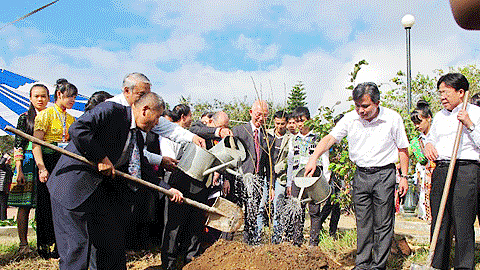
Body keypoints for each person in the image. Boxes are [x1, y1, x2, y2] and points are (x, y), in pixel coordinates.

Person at [47, 92, 183, 270]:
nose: (157, 123)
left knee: (111, 245)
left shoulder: (137, 135)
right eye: (157, 118)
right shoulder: (110, 111)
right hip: (72, 188)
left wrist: (167, 189)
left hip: (99, 194)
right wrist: (101, 158)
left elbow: (142, 166)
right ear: (145, 110)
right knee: (77, 248)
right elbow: (78, 130)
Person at [305, 82, 409, 270]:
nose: (361, 110)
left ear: (377, 102)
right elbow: (330, 138)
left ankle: (378, 266)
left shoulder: (393, 118)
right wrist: (314, 158)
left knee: (383, 223)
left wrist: (404, 176)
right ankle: (362, 264)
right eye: (357, 106)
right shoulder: (350, 119)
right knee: (363, 223)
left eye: (365, 106)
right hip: (361, 175)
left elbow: (403, 148)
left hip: (384, 174)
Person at [424, 73, 480, 270]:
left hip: (465, 169)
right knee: (440, 220)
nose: (442, 97)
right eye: (440, 93)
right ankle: (437, 264)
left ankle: (464, 266)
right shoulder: (439, 116)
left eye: (446, 93)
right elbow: (429, 138)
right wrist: (428, 144)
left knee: (462, 221)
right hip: (441, 169)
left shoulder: (475, 112)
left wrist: (469, 125)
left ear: (461, 92)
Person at [32, 78, 78, 259]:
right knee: (46, 204)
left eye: (74, 97)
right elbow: (36, 144)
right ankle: (45, 244)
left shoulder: (72, 118)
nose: (72, 100)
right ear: (59, 95)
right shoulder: (45, 115)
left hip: (65, 162)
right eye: (70, 96)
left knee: (64, 203)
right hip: (49, 161)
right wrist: (41, 167)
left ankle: (62, 245)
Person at [161, 104, 210, 269]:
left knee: (194, 225)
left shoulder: (192, 134)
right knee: (174, 227)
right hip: (176, 182)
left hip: (196, 185)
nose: (192, 120)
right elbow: (168, 158)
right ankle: (169, 264)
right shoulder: (168, 134)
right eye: (190, 116)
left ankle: (191, 261)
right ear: (184, 117)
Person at [9, 84, 49, 255]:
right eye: (36, 96)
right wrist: (19, 169)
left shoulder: (52, 116)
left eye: (44, 96)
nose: (40, 99)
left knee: (45, 204)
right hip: (27, 163)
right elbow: (18, 144)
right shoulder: (24, 118)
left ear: (49, 98)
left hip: (46, 162)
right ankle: (23, 245)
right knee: (24, 205)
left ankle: (45, 243)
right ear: (30, 98)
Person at [285, 106, 330, 246]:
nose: (300, 124)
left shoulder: (318, 137)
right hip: (297, 179)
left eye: (302, 120)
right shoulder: (293, 139)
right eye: (297, 121)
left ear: (309, 120)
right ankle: (297, 241)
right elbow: (290, 161)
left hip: (313, 179)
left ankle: (313, 243)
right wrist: (288, 182)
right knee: (297, 210)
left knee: (314, 211)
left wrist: (326, 179)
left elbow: (325, 158)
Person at [232, 100, 271, 245]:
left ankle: (249, 246)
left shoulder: (267, 137)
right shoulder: (238, 131)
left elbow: (268, 165)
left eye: (265, 116)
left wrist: (270, 185)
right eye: (258, 114)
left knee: (252, 215)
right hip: (239, 180)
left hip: (257, 182)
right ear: (251, 112)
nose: (261, 118)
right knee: (234, 213)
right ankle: (226, 244)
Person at [317, 113, 345, 240]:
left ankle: (332, 230)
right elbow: (325, 158)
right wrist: (327, 176)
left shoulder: (347, 142)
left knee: (338, 204)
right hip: (332, 175)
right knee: (330, 202)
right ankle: (319, 224)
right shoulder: (331, 139)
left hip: (343, 176)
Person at [266, 110, 291, 244]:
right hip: (266, 175)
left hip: (280, 177)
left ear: (286, 123)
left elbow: (289, 160)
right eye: (277, 123)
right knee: (261, 207)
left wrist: (277, 168)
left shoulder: (290, 139)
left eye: (282, 124)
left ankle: (276, 240)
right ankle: (259, 238)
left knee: (278, 207)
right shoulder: (266, 135)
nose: (279, 126)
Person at [410, 100, 433, 222]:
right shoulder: (417, 141)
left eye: (419, 122)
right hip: (425, 174)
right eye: (415, 123)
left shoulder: (437, 135)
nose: (417, 126)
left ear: (428, 118)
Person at [0, 153, 12, 220]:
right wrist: (5, 157)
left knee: (4, 205)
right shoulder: (3, 166)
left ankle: (3, 219)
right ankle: (3, 219)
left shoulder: (7, 167)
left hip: (5, 188)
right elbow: (1, 163)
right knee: (3, 205)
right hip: (1, 188)